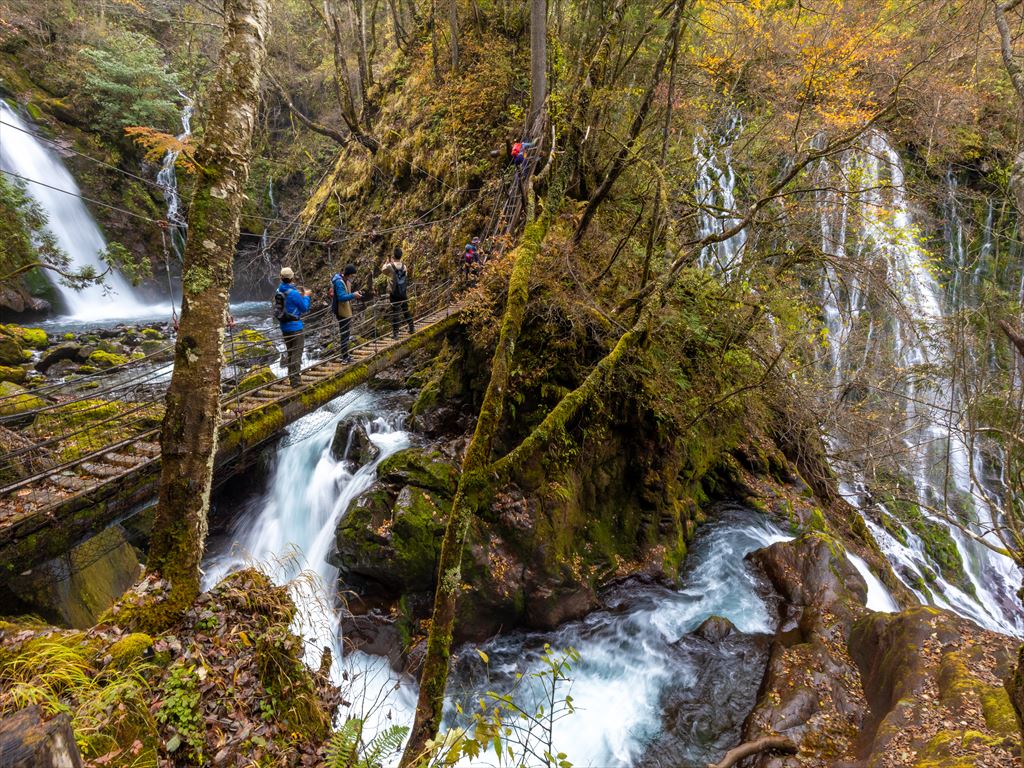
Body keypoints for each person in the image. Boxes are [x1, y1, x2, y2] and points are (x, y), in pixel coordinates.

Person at [274, 267, 311, 387]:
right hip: (295, 327)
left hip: (284, 327)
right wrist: (306, 296)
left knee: (290, 353)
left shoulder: (279, 290)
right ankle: (295, 381)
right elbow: (304, 308)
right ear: (292, 278)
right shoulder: (294, 293)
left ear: (281, 278)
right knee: (297, 353)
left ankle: (292, 378)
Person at [331, 264, 363, 363]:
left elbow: (346, 294)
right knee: (344, 334)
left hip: (345, 310)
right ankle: (345, 357)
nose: (353, 278)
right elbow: (341, 297)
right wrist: (353, 295)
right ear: (348, 275)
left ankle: (345, 355)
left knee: (346, 334)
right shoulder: (339, 282)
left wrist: (356, 293)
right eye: (352, 275)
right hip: (342, 311)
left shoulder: (344, 280)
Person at [381, 246, 414, 339]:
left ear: (393, 256)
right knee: (405, 310)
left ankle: (395, 334)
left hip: (394, 292)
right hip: (403, 292)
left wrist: (387, 262)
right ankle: (412, 327)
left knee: (395, 313)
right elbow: (404, 277)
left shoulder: (389, 266)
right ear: (401, 256)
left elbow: (383, 270)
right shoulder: (404, 267)